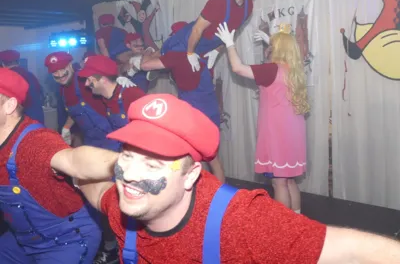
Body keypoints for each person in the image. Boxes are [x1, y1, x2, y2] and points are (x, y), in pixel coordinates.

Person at [77, 93, 400, 263]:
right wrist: (67, 170)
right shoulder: (123, 203)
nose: (130, 175)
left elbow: (353, 251)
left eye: (152, 165)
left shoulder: (243, 223)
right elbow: (90, 182)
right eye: (127, 156)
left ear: (191, 176)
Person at [0, 68, 118, 263]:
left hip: (66, 239)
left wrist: (125, 163)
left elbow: (73, 160)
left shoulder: (34, 141)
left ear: (9, 105)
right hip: (22, 239)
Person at [216, 22, 309, 212]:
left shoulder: (272, 69)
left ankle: (283, 224)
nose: (269, 50)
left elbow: (238, 68)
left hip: (278, 133)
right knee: (289, 181)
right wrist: (272, 41)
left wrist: (229, 44)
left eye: (272, 47)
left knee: (279, 183)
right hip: (293, 133)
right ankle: (297, 221)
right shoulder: (294, 70)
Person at [141, 22, 225, 182]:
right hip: (211, 109)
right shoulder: (202, 50)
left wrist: (148, 51)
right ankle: (218, 195)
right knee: (213, 159)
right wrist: (217, 50)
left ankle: (198, 193)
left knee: (193, 158)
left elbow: (145, 65)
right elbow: (222, 41)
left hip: (194, 112)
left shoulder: (176, 56)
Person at [161, 0, 265, 72]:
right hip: (188, 40)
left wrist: (217, 50)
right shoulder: (219, 1)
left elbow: (230, 33)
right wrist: (190, 53)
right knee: (161, 56)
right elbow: (197, 29)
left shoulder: (248, 7)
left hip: (207, 46)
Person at [44, 51, 120, 150]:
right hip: (90, 141)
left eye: (62, 69)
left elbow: (106, 76)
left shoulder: (84, 79)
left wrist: (119, 81)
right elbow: (74, 112)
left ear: (70, 65)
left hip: (111, 137)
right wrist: (66, 127)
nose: (60, 74)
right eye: (55, 72)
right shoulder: (62, 90)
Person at [79, 55, 145, 131]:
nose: (86, 84)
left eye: (90, 80)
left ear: (103, 79)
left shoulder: (131, 94)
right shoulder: (105, 98)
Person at [0, 49, 44, 123]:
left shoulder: (5, 77)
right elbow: (41, 94)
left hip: (20, 120)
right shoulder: (30, 75)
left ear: (3, 64)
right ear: (18, 62)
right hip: (37, 117)